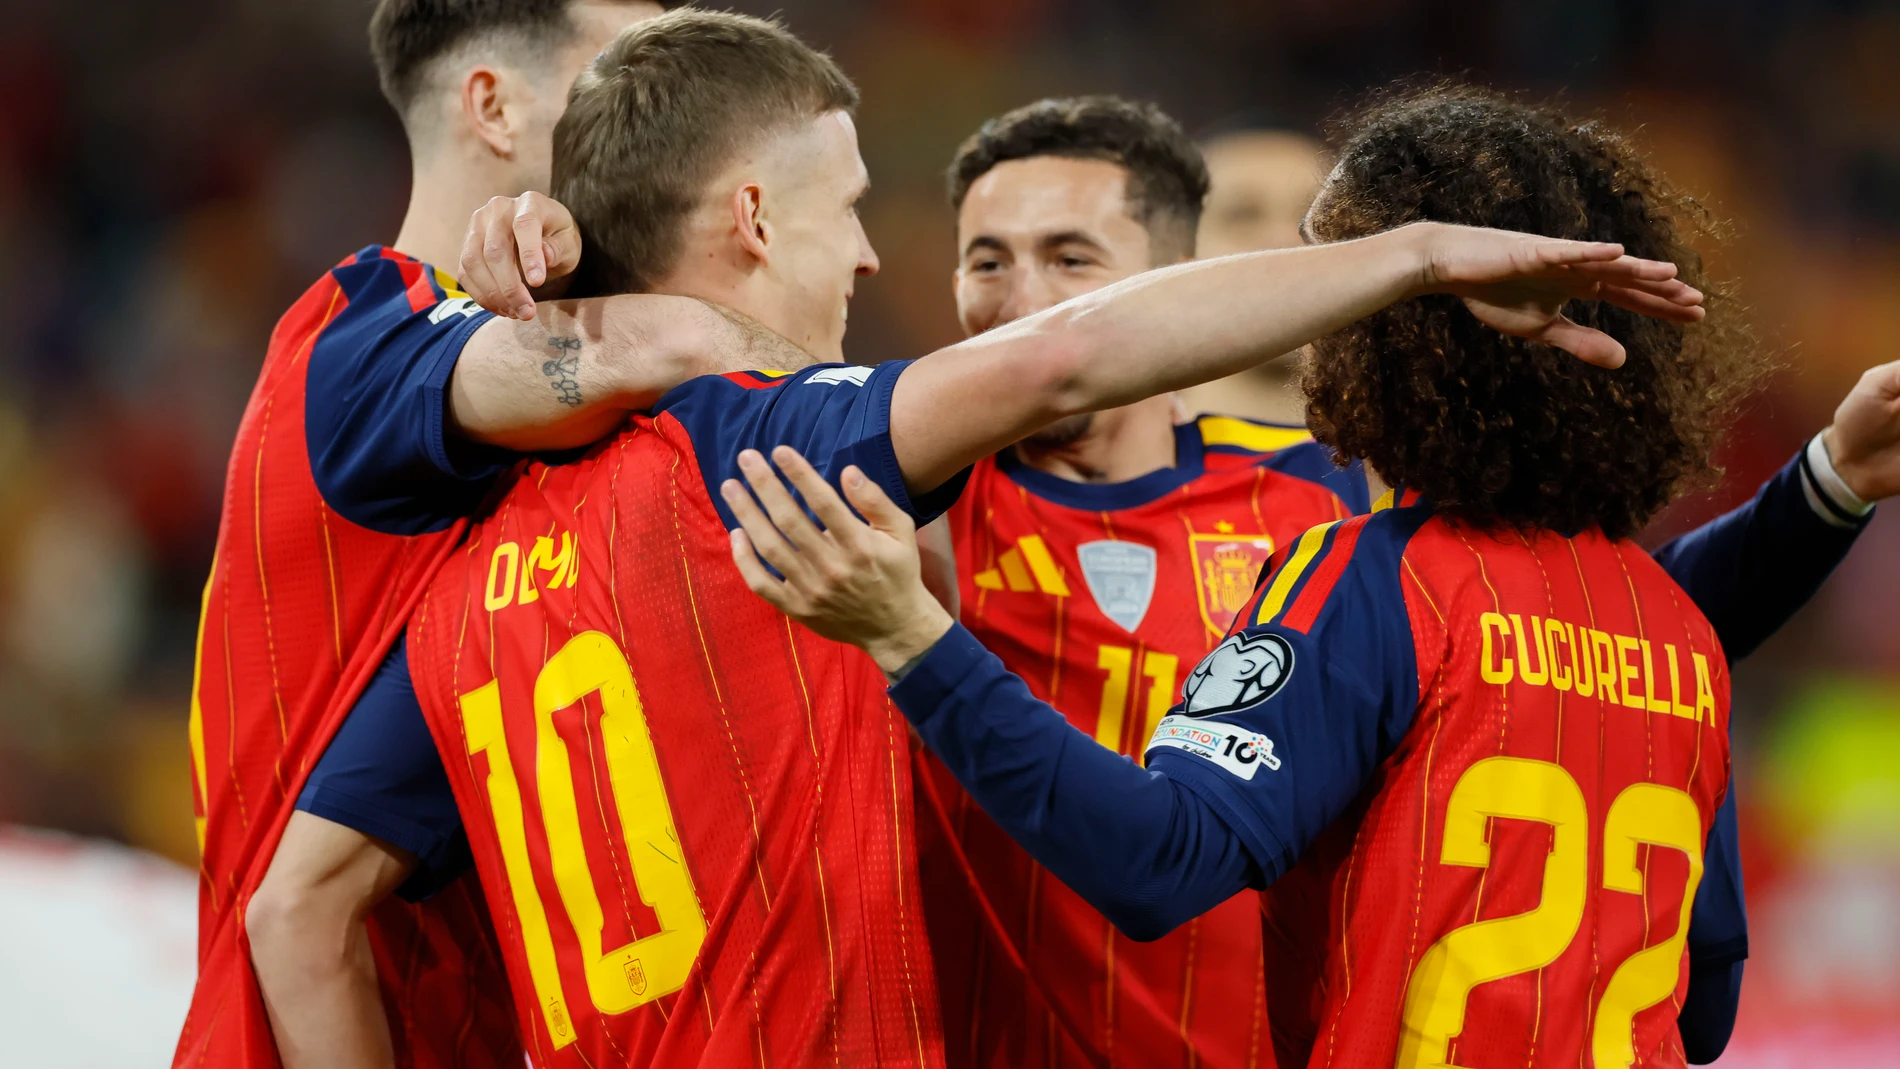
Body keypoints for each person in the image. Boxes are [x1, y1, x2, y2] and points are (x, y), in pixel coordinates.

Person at [252, 11, 1711, 1067]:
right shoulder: (772, 450)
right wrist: (1412, 258)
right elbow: (1055, 366)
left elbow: (297, 907)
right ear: (756, 214)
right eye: (854, 211)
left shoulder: (469, 569)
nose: (874, 257)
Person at [723, 87, 1900, 1069]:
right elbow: (1701, 1008)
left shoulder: (1357, 566)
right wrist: (1825, 486)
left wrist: (911, 641)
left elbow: (1162, 858)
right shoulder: (1672, 635)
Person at [175, 2, 826, 1067]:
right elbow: (295, 915)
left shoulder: (519, 432)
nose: (668, 113)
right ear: (492, 103)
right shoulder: (357, 343)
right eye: (622, 70)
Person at [1176, 124, 1330, 423]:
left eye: (1318, 215)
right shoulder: (1104, 462)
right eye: (1242, 215)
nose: (1285, 240)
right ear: (1174, 257)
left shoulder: (1424, 460)